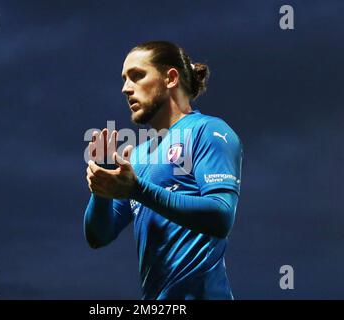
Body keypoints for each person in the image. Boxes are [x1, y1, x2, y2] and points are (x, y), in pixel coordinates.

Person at [84, 41, 243, 300]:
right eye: (124, 79)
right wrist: (101, 187)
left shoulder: (209, 131)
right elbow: (98, 236)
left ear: (170, 78)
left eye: (137, 76)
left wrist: (137, 190)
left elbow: (221, 216)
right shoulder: (137, 156)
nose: (126, 88)